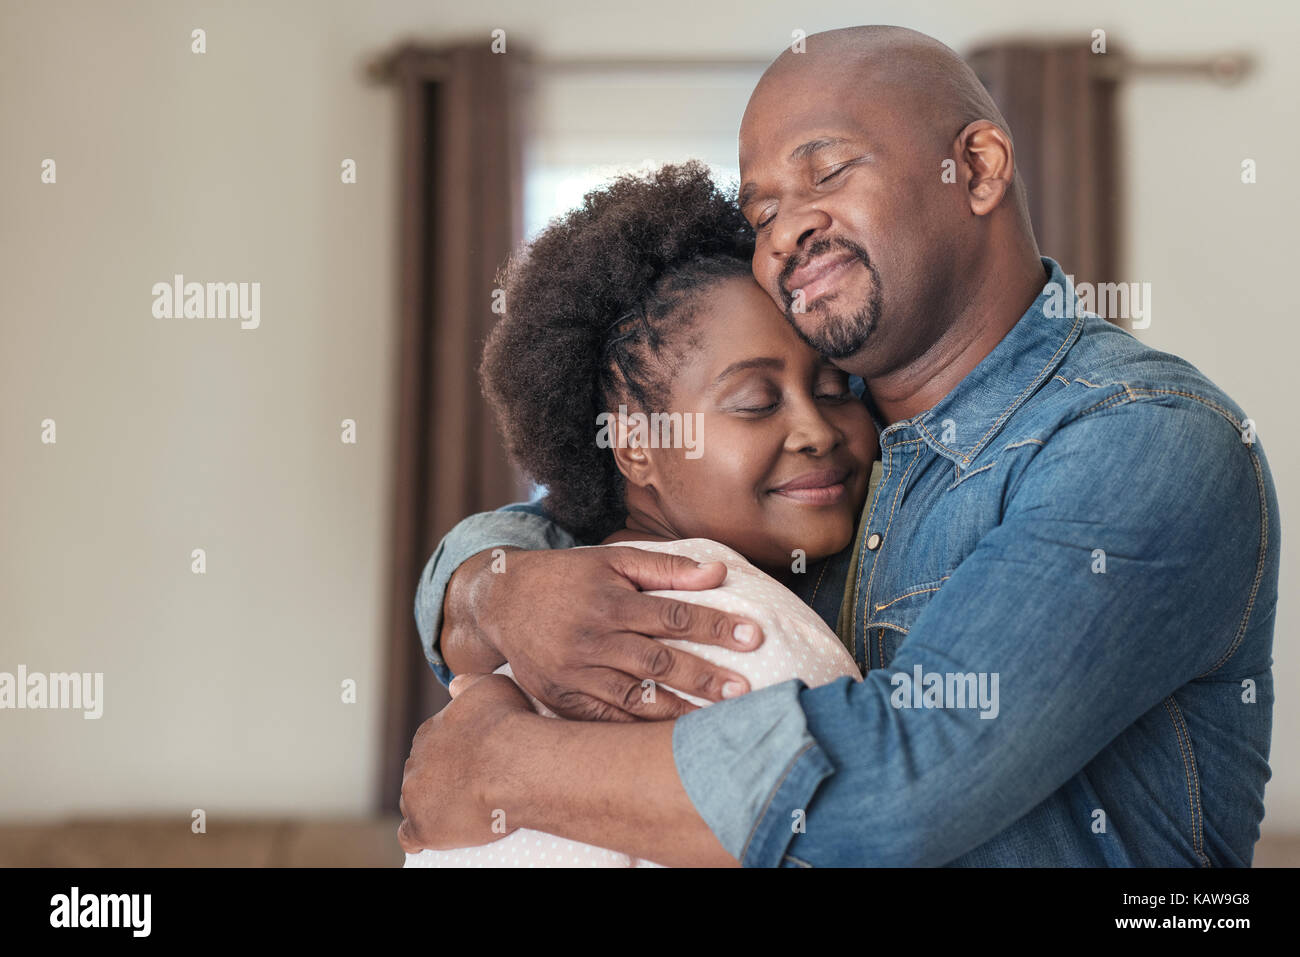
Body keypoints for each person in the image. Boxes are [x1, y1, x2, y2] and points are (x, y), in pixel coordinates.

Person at [400, 25, 1279, 867]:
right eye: (764, 211)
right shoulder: (839, 437)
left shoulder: (1139, 436)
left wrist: (500, 768)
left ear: (975, 168)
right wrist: (492, 594)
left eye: (825, 171)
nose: (784, 230)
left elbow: (904, 783)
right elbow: (577, 520)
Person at [404, 161, 876, 867]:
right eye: (755, 401)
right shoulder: (700, 628)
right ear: (635, 444)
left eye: (838, 388)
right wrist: (491, 589)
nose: (816, 429)